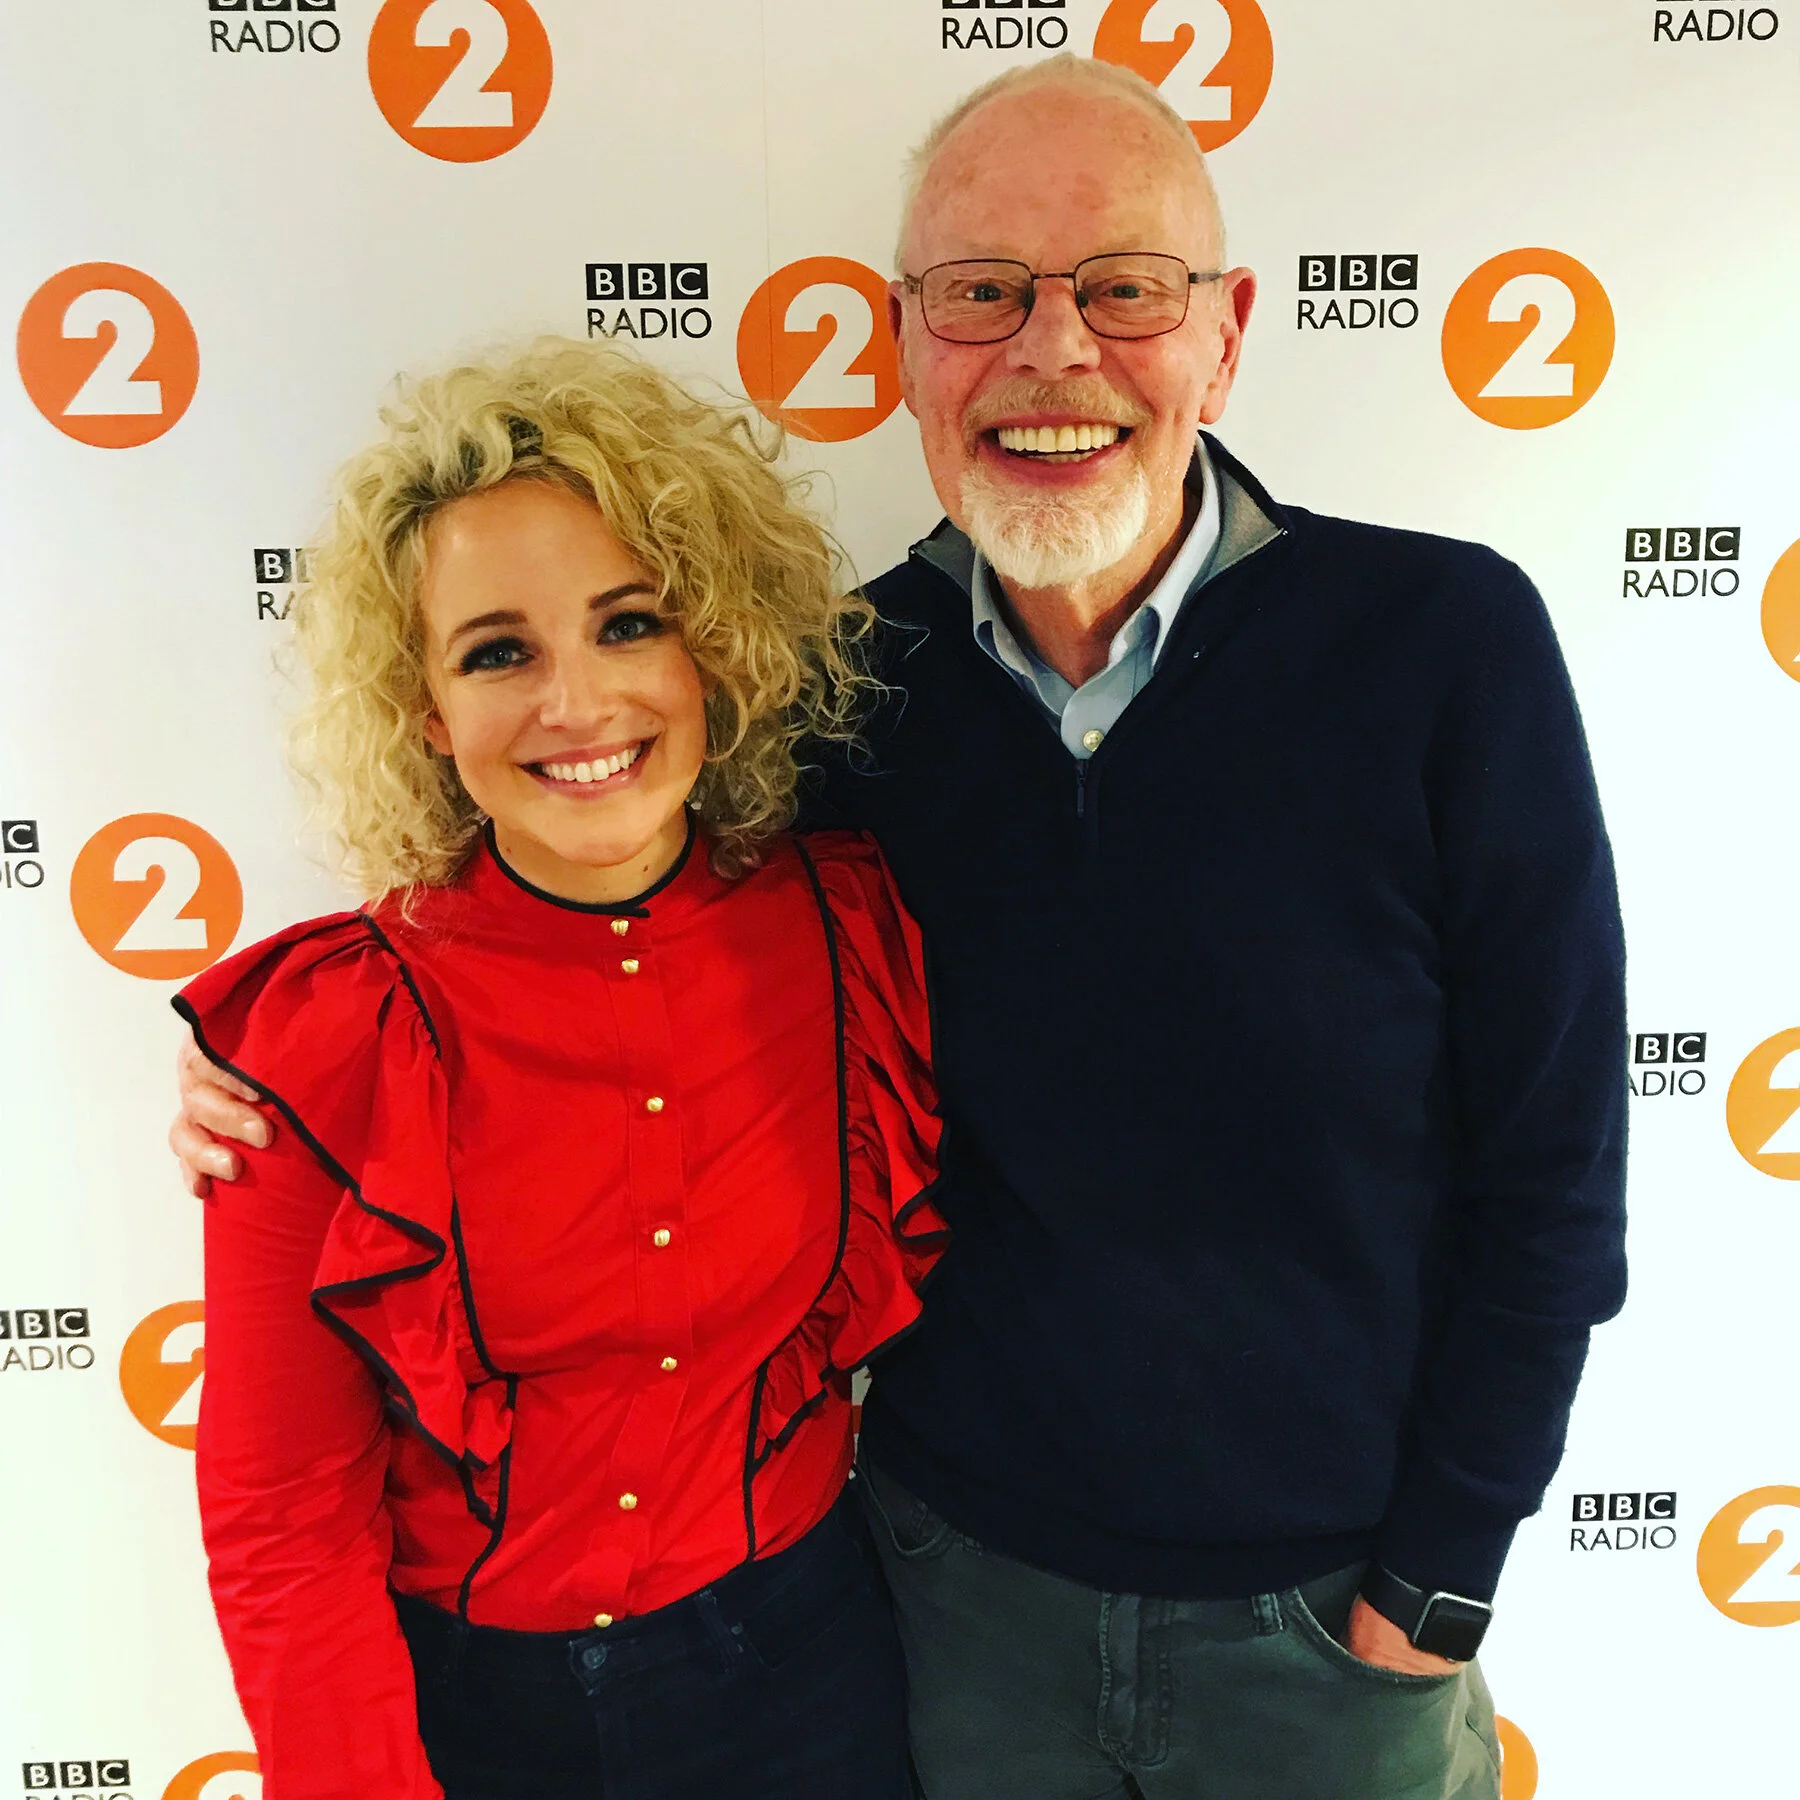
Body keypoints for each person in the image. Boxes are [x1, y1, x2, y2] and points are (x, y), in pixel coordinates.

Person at [175, 56, 1628, 1800]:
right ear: (902, 343)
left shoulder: (1445, 644)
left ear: (1226, 333)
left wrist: (1440, 1579)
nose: (1053, 348)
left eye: (1125, 288)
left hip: (1334, 1635)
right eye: (981, 292)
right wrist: (288, 1075)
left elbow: (1553, 1168)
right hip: (953, 1618)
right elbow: (595, 881)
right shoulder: (843, 700)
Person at [170, 339, 945, 1800]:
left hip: (814, 1664)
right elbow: (284, 1522)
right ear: (425, 707)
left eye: (628, 624)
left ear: (710, 650)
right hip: (480, 1718)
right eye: (497, 651)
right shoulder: (329, 1036)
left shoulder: (853, 931)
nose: (577, 704)